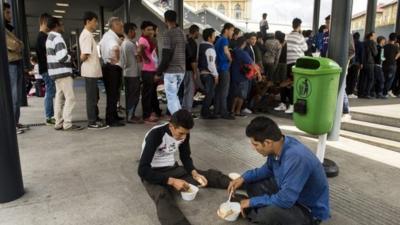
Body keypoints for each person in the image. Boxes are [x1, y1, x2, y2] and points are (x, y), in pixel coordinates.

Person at [228, 117, 330, 225]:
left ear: (267, 142)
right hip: (290, 195)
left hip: (307, 210)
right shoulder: (280, 144)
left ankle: (255, 211)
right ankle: (257, 208)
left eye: (255, 145)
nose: (254, 148)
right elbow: (266, 170)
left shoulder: (296, 158)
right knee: (251, 183)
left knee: (269, 214)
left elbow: (285, 200)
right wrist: (243, 178)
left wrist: (252, 202)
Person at [138, 109, 231, 225]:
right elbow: (142, 170)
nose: (184, 137)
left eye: (186, 133)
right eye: (181, 133)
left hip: (171, 168)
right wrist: (171, 181)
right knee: (162, 195)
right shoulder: (155, 135)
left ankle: (237, 182)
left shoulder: (185, 133)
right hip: (152, 172)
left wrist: (193, 172)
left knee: (202, 176)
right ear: (171, 126)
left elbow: (185, 156)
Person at [46, 17, 82, 131]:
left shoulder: (49, 38)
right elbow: (62, 57)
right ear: (56, 25)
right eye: (61, 24)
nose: (63, 26)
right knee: (70, 98)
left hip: (54, 72)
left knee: (59, 97)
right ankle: (67, 124)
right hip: (63, 72)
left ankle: (58, 122)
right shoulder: (57, 38)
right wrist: (71, 56)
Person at [79, 11, 108, 130]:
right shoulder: (86, 35)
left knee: (95, 96)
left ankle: (95, 117)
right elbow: (85, 54)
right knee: (91, 97)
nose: (96, 23)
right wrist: (81, 58)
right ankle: (92, 121)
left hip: (92, 71)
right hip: (89, 71)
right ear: (88, 21)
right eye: (95, 21)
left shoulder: (88, 34)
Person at [4, 2, 29, 134]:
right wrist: (19, 44)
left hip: (16, 63)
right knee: (14, 96)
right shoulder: (3, 29)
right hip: (11, 64)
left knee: (18, 95)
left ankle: (16, 122)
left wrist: (19, 44)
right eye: (7, 12)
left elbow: (21, 44)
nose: (10, 15)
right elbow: (14, 46)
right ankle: (12, 125)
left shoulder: (8, 29)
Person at [156, 10, 186, 115]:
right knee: (175, 96)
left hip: (171, 71)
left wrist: (158, 73)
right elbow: (187, 51)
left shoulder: (167, 33)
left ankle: (178, 122)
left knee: (171, 98)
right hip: (181, 70)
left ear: (165, 20)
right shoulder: (182, 32)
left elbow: (166, 55)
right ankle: (180, 118)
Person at [99, 17, 125, 127]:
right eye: (120, 25)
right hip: (112, 68)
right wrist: (116, 59)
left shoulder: (107, 36)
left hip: (108, 67)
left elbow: (100, 46)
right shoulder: (111, 37)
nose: (122, 27)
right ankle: (111, 119)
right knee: (113, 94)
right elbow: (115, 48)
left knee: (113, 94)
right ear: (114, 25)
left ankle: (113, 115)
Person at [278, 18, 308, 114]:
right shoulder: (300, 37)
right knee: (293, 84)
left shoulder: (288, 36)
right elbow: (305, 48)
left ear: (292, 25)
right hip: (297, 62)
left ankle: (283, 104)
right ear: (299, 26)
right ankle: (291, 105)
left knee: (286, 83)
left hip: (288, 62)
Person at [231, 37, 261, 117]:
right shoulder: (243, 53)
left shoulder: (234, 50)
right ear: (243, 44)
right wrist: (259, 73)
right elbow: (253, 64)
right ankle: (237, 111)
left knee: (235, 94)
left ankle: (232, 111)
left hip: (234, 75)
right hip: (242, 77)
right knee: (241, 96)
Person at [138, 21, 161, 124]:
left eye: (152, 29)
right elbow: (140, 50)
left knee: (151, 94)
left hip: (152, 70)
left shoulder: (150, 39)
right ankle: (146, 116)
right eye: (148, 29)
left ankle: (151, 113)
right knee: (147, 94)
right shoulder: (143, 39)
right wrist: (145, 58)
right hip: (147, 71)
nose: (151, 31)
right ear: (143, 30)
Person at [120, 22, 143, 124]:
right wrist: (140, 51)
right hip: (133, 73)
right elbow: (138, 58)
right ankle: (130, 116)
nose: (135, 33)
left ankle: (129, 115)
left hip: (127, 73)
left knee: (130, 95)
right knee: (134, 95)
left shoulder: (124, 43)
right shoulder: (130, 44)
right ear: (129, 31)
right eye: (134, 30)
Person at [35, 13, 55, 126]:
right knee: (50, 91)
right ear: (43, 22)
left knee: (51, 91)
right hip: (46, 69)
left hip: (45, 68)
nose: (50, 25)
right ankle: (49, 116)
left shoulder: (42, 36)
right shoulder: (42, 37)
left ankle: (50, 115)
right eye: (48, 22)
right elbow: (48, 54)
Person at [215, 23, 235, 120]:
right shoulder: (224, 39)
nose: (232, 32)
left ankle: (217, 110)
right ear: (226, 30)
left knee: (219, 91)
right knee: (224, 92)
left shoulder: (218, 39)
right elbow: (226, 51)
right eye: (232, 30)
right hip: (224, 68)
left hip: (219, 68)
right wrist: (230, 59)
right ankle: (224, 112)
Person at [198, 28, 219, 119]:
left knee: (209, 94)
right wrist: (216, 75)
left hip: (203, 73)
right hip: (208, 74)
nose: (215, 37)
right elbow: (211, 64)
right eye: (214, 35)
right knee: (209, 94)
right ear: (209, 37)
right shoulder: (209, 48)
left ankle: (205, 111)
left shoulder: (202, 46)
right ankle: (205, 113)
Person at [182, 24, 200, 116]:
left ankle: (184, 109)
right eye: (198, 32)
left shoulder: (185, 41)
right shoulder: (192, 43)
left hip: (182, 68)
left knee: (185, 90)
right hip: (189, 69)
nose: (199, 34)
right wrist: (195, 72)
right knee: (190, 90)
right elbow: (192, 58)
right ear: (195, 32)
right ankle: (188, 111)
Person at [359, 32, 378, 99]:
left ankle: (360, 93)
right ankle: (367, 93)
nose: (375, 37)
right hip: (370, 63)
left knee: (363, 78)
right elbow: (375, 53)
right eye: (374, 35)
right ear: (371, 36)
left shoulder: (363, 42)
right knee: (370, 78)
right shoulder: (372, 42)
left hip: (363, 63)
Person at [383, 33, 400, 98]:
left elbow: (382, 56)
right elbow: (398, 54)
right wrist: (395, 58)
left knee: (384, 78)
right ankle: (385, 92)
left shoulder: (384, 46)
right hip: (392, 65)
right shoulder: (396, 47)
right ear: (395, 39)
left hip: (385, 64)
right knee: (390, 79)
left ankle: (381, 91)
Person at [346, 32, 363, 98]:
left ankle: (346, 91)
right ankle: (351, 92)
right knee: (354, 78)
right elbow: (361, 54)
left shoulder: (350, 42)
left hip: (349, 62)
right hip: (356, 63)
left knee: (348, 77)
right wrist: (361, 63)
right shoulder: (360, 44)